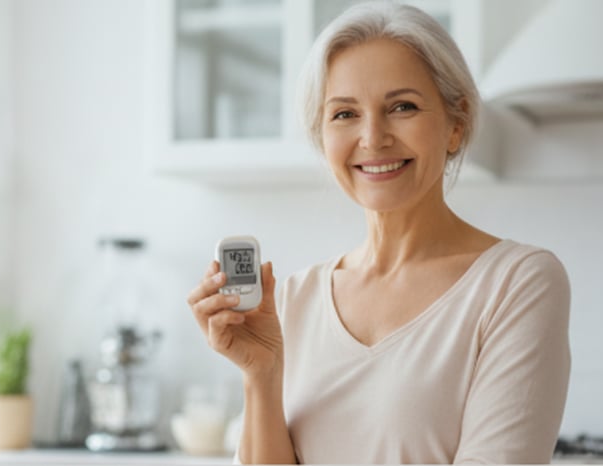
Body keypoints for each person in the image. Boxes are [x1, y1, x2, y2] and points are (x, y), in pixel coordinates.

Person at [186, 2, 571, 464]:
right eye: (344, 114)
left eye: (402, 106)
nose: (372, 137)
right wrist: (260, 374)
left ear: (457, 123)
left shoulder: (516, 283)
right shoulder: (293, 299)